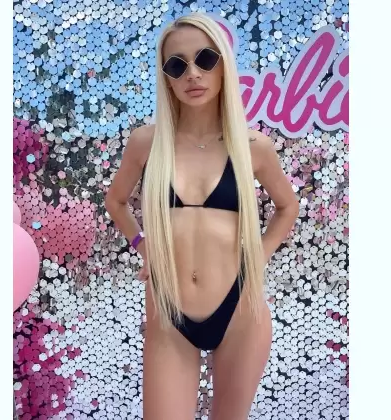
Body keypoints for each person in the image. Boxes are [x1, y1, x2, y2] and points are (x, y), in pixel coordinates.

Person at [105, 12, 299, 420]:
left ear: (223, 65)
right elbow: (116, 202)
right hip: (168, 314)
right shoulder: (146, 143)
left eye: (205, 59)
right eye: (177, 65)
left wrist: (260, 254)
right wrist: (143, 245)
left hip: (240, 312)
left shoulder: (252, 147)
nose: (193, 73)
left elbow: (288, 206)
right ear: (167, 78)